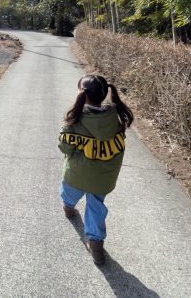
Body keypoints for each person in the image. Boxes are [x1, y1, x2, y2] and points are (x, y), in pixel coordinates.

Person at [58, 74, 134, 265]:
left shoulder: (74, 119)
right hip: (103, 177)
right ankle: (96, 244)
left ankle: (68, 208)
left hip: (77, 174)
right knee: (96, 207)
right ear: (104, 94)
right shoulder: (116, 118)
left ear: (81, 94)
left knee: (69, 192)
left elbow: (64, 147)